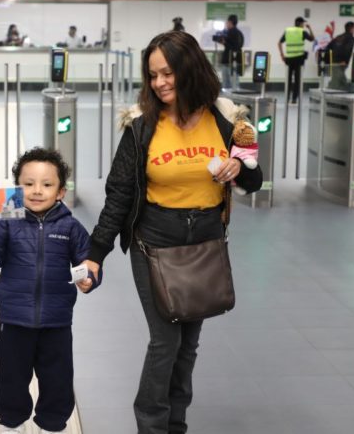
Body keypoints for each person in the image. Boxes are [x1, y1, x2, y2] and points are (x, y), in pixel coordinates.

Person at [80, 31, 262, 434]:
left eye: (168, 73)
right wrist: (96, 252)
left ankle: (176, 423)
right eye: (153, 75)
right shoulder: (141, 127)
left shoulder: (225, 119)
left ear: (190, 69)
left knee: (188, 345)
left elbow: (255, 180)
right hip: (154, 244)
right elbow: (119, 195)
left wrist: (240, 170)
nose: (160, 83)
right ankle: (152, 425)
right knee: (166, 342)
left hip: (205, 245)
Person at [0, 147, 99, 434]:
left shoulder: (71, 228)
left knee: (58, 378)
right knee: (11, 378)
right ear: (18, 188)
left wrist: (89, 279)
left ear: (61, 192)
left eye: (47, 184)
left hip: (57, 322)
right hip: (14, 321)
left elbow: (86, 263)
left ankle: (53, 424)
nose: (37, 191)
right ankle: (11, 424)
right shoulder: (6, 223)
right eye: (28, 184)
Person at [278, 16, 314, 104]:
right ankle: (294, 99)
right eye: (303, 23)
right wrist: (310, 28)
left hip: (289, 59)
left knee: (288, 79)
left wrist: (282, 55)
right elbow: (312, 38)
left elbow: (279, 43)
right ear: (301, 24)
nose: (303, 25)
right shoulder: (302, 32)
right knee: (298, 80)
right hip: (299, 59)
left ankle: (287, 98)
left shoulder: (288, 31)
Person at [327, 21, 354, 91]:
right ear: (351, 29)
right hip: (342, 62)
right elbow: (347, 49)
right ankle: (348, 90)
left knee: (336, 78)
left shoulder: (338, 37)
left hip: (334, 61)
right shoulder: (351, 38)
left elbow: (329, 46)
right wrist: (344, 60)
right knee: (340, 79)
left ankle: (334, 90)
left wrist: (332, 58)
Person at [219, 14, 244, 91]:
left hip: (230, 60)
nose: (226, 24)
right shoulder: (239, 33)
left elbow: (234, 46)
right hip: (234, 60)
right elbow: (239, 45)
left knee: (228, 83)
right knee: (234, 82)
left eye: (227, 22)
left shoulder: (231, 33)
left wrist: (224, 42)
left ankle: (228, 100)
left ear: (230, 22)